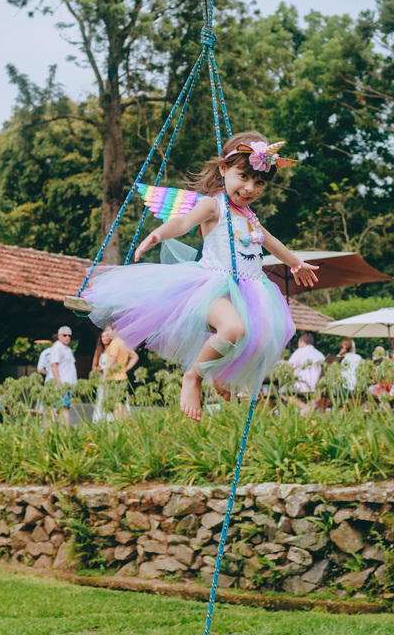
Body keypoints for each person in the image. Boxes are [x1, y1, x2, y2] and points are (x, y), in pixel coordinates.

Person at [83, 131, 319, 421]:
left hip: (249, 290)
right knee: (234, 330)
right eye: (244, 177)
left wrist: (298, 263)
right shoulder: (213, 204)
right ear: (224, 169)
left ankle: (219, 372)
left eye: (259, 183)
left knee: (263, 336)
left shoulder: (250, 216)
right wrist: (157, 235)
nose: (250, 188)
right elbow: (183, 221)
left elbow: (272, 241)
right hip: (212, 285)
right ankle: (193, 377)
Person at [91, 326, 139, 422]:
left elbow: (111, 362)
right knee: (123, 402)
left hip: (114, 378)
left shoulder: (114, 343)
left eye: (109, 330)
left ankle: (118, 426)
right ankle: (126, 425)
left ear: (115, 330)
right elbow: (135, 357)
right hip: (123, 377)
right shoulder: (123, 343)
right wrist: (125, 369)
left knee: (116, 403)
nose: (107, 333)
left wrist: (104, 379)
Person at [37, 327, 77, 426]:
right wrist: (59, 383)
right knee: (62, 409)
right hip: (61, 385)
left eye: (69, 336)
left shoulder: (67, 349)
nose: (67, 338)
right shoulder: (58, 347)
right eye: (65, 335)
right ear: (59, 336)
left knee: (58, 409)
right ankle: (59, 433)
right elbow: (53, 365)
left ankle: (52, 432)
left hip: (67, 385)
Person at [287, 333, 325, 414]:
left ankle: (307, 409)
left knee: (281, 393)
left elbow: (288, 368)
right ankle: (308, 409)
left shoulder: (299, 351)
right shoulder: (320, 354)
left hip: (302, 386)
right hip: (318, 389)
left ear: (302, 342)